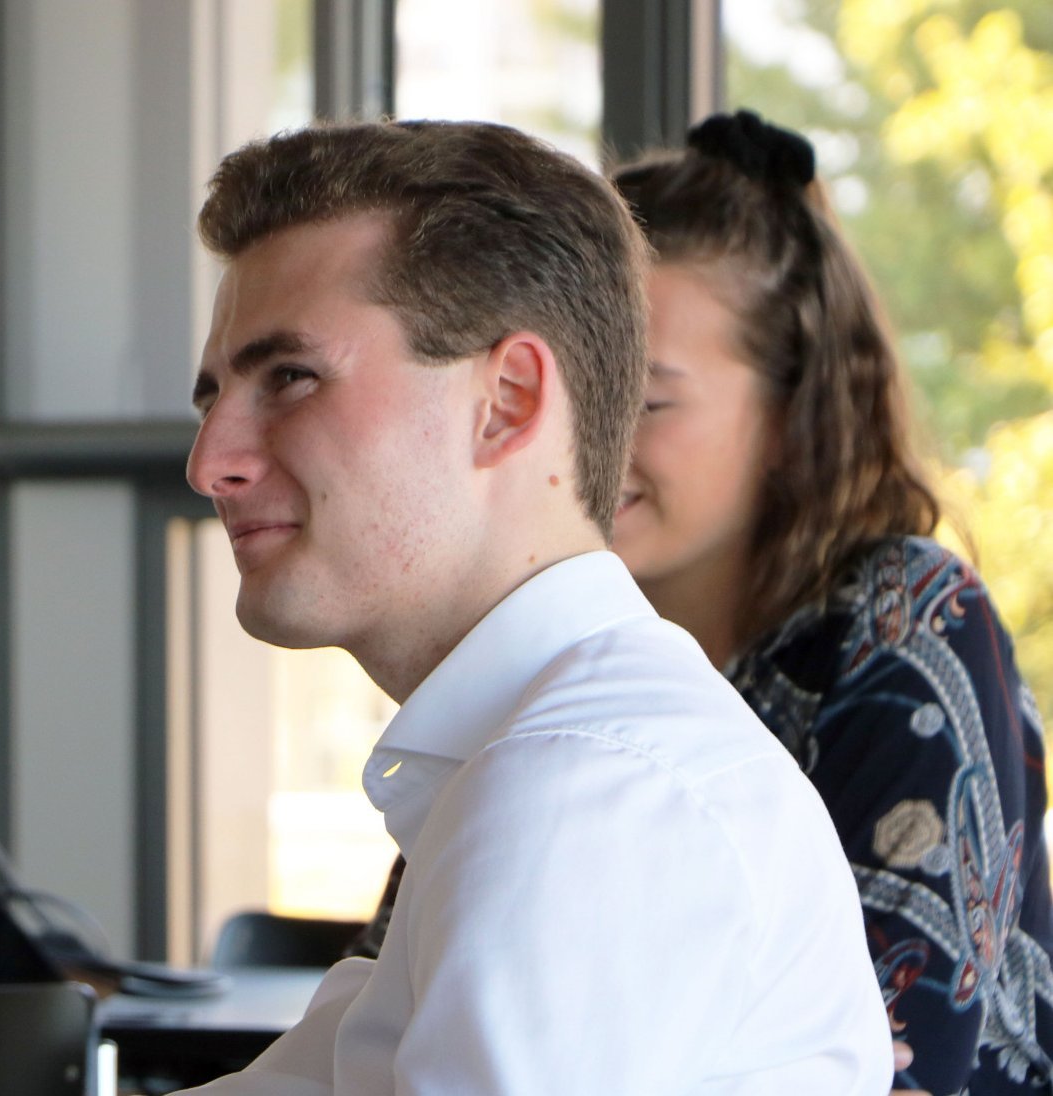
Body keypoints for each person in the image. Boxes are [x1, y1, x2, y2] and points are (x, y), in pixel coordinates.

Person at [178, 119, 890, 1093]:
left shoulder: (585, 784)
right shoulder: (552, 761)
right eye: (210, 395)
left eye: (291, 377)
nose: (210, 460)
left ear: (508, 400)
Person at [611, 110, 1053, 1094]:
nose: (587, 441)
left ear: (789, 410)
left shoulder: (906, 620)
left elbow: (898, 1064)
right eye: (571, 390)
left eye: (642, 399)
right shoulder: (566, 645)